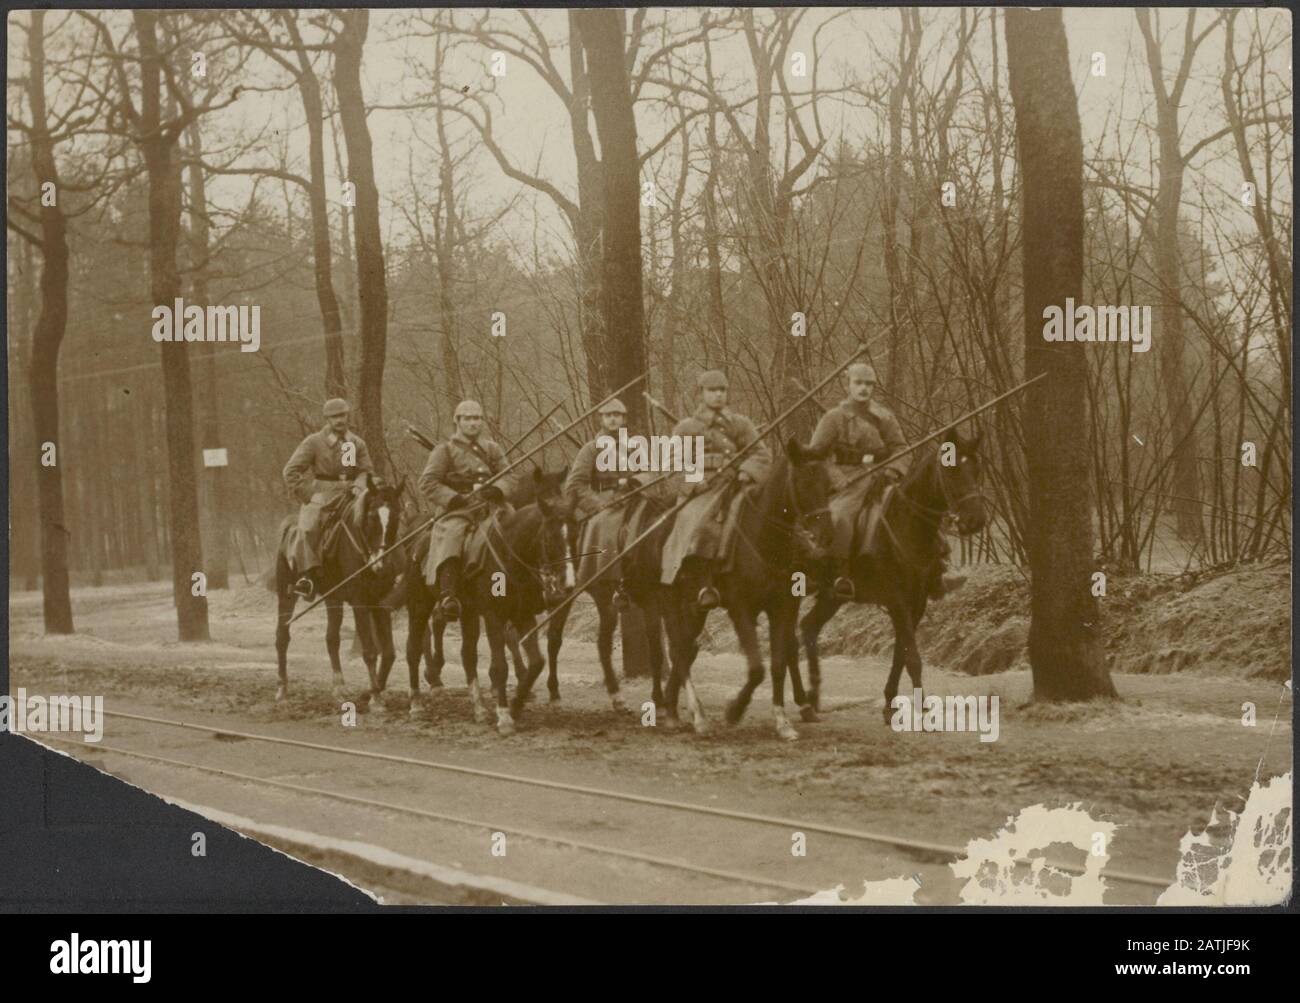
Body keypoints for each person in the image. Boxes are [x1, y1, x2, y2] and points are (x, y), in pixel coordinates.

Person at [659, 370, 770, 609]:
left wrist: (746, 471)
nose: (718, 395)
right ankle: (704, 584)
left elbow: (760, 454)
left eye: (722, 390)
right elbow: (672, 465)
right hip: (702, 491)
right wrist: (693, 483)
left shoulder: (741, 424)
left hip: (737, 484)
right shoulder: (686, 428)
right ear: (701, 394)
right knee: (700, 524)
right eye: (712, 390)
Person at [417, 399, 515, 621]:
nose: (473, 423)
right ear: (457, 421)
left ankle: (515, 588)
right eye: (468, 418)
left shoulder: (492, 448)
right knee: (452, 535)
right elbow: (427, 482)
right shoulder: (445, 450)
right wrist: (452, 498)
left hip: (490, 506)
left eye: (477, 418)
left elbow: (510, 476)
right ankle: (448, 595)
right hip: (458, 510)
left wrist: (499, 490)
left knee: (517, 527)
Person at [282, 398, 374, 600]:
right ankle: (306, 577)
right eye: (334, 417)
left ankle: (383, 567)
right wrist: (308, 495)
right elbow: (291, 471)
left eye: (342, 415)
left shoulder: (355, 443)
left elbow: (365, 471)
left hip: (352, 493)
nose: (339, 420)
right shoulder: (314, 442)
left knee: (377, 519)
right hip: (322, 494)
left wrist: (359, 485)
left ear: (348, 416)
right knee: (307, 528)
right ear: (327, 419)